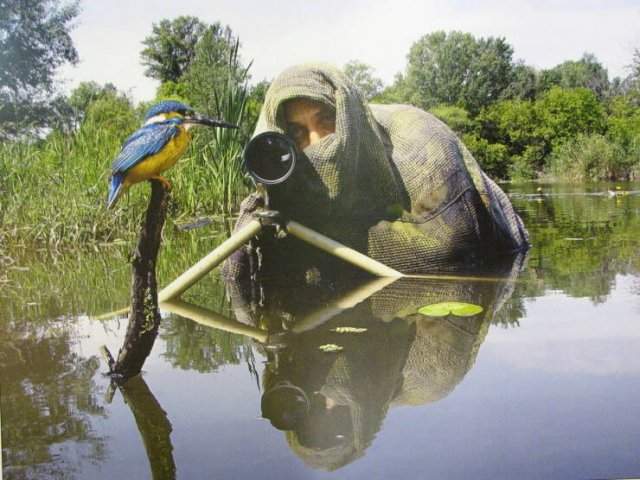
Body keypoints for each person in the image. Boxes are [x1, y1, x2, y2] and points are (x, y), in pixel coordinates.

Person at [223, 63, 528, 281]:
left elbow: (450, 252)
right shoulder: (289, 172)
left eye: (326, 121)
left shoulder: (424, 158)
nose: (317, 143)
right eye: (298, 132)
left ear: (347, 120)